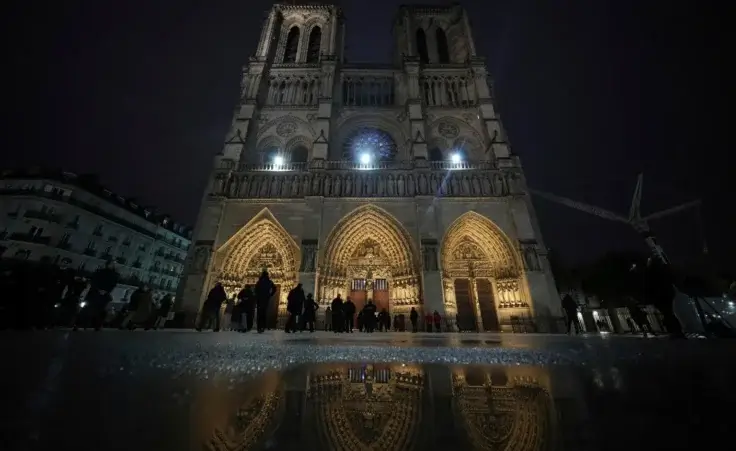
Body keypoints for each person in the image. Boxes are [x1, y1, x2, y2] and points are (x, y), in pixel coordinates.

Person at [75, 261, 119, 331]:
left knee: (90, 309)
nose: (114, 266)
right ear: (108, 265)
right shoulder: (113, 274)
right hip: (100, 294)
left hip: (95, 293)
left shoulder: (100, 272)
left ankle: (82, 324)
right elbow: (112, 285)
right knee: (95, 310)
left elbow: (94, 281)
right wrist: (104, 291)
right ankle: (92, 325)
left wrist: (99, 290)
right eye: (113, 264)